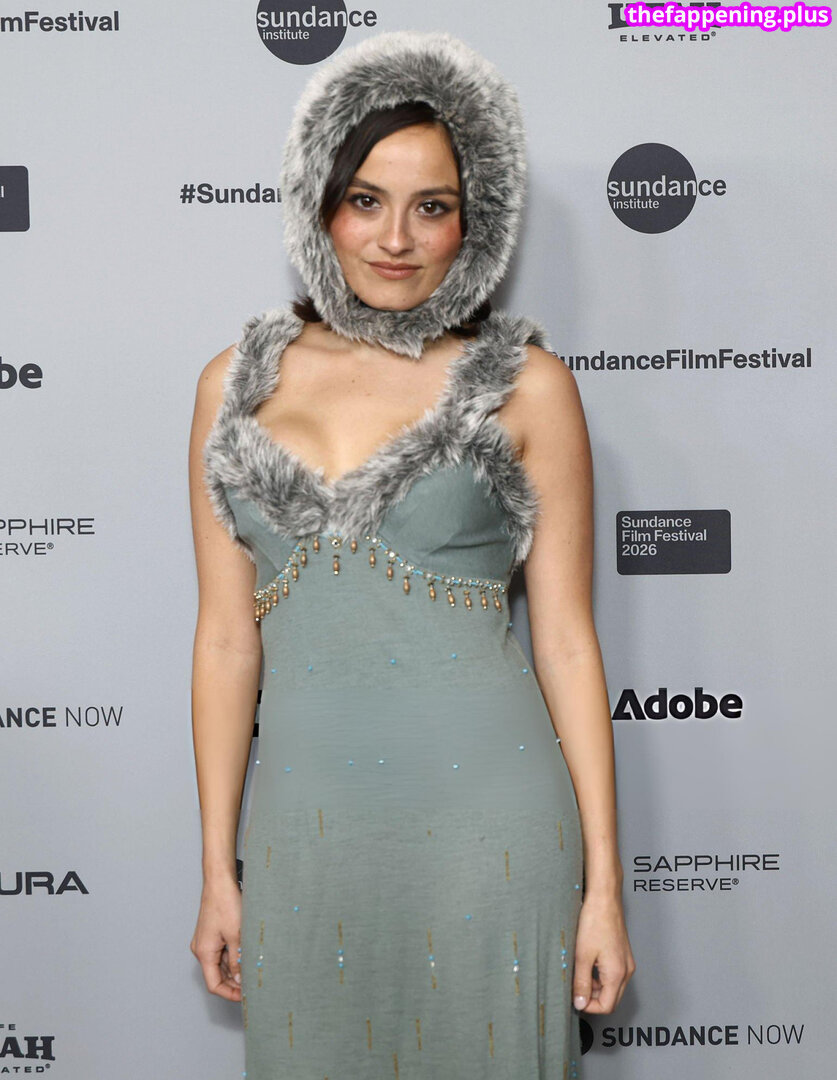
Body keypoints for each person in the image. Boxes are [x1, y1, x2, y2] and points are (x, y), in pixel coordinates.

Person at [188, 28, 634, 1080]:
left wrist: (604, 890)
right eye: (366, 200)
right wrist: (217, 870)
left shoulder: (527, 386)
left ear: (474, 225)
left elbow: (567, 643)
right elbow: (224, 643)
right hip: (306, 835)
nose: (396, 238)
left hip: (492, 829)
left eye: (432, 206)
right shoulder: (231, 386)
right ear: (319, 208)